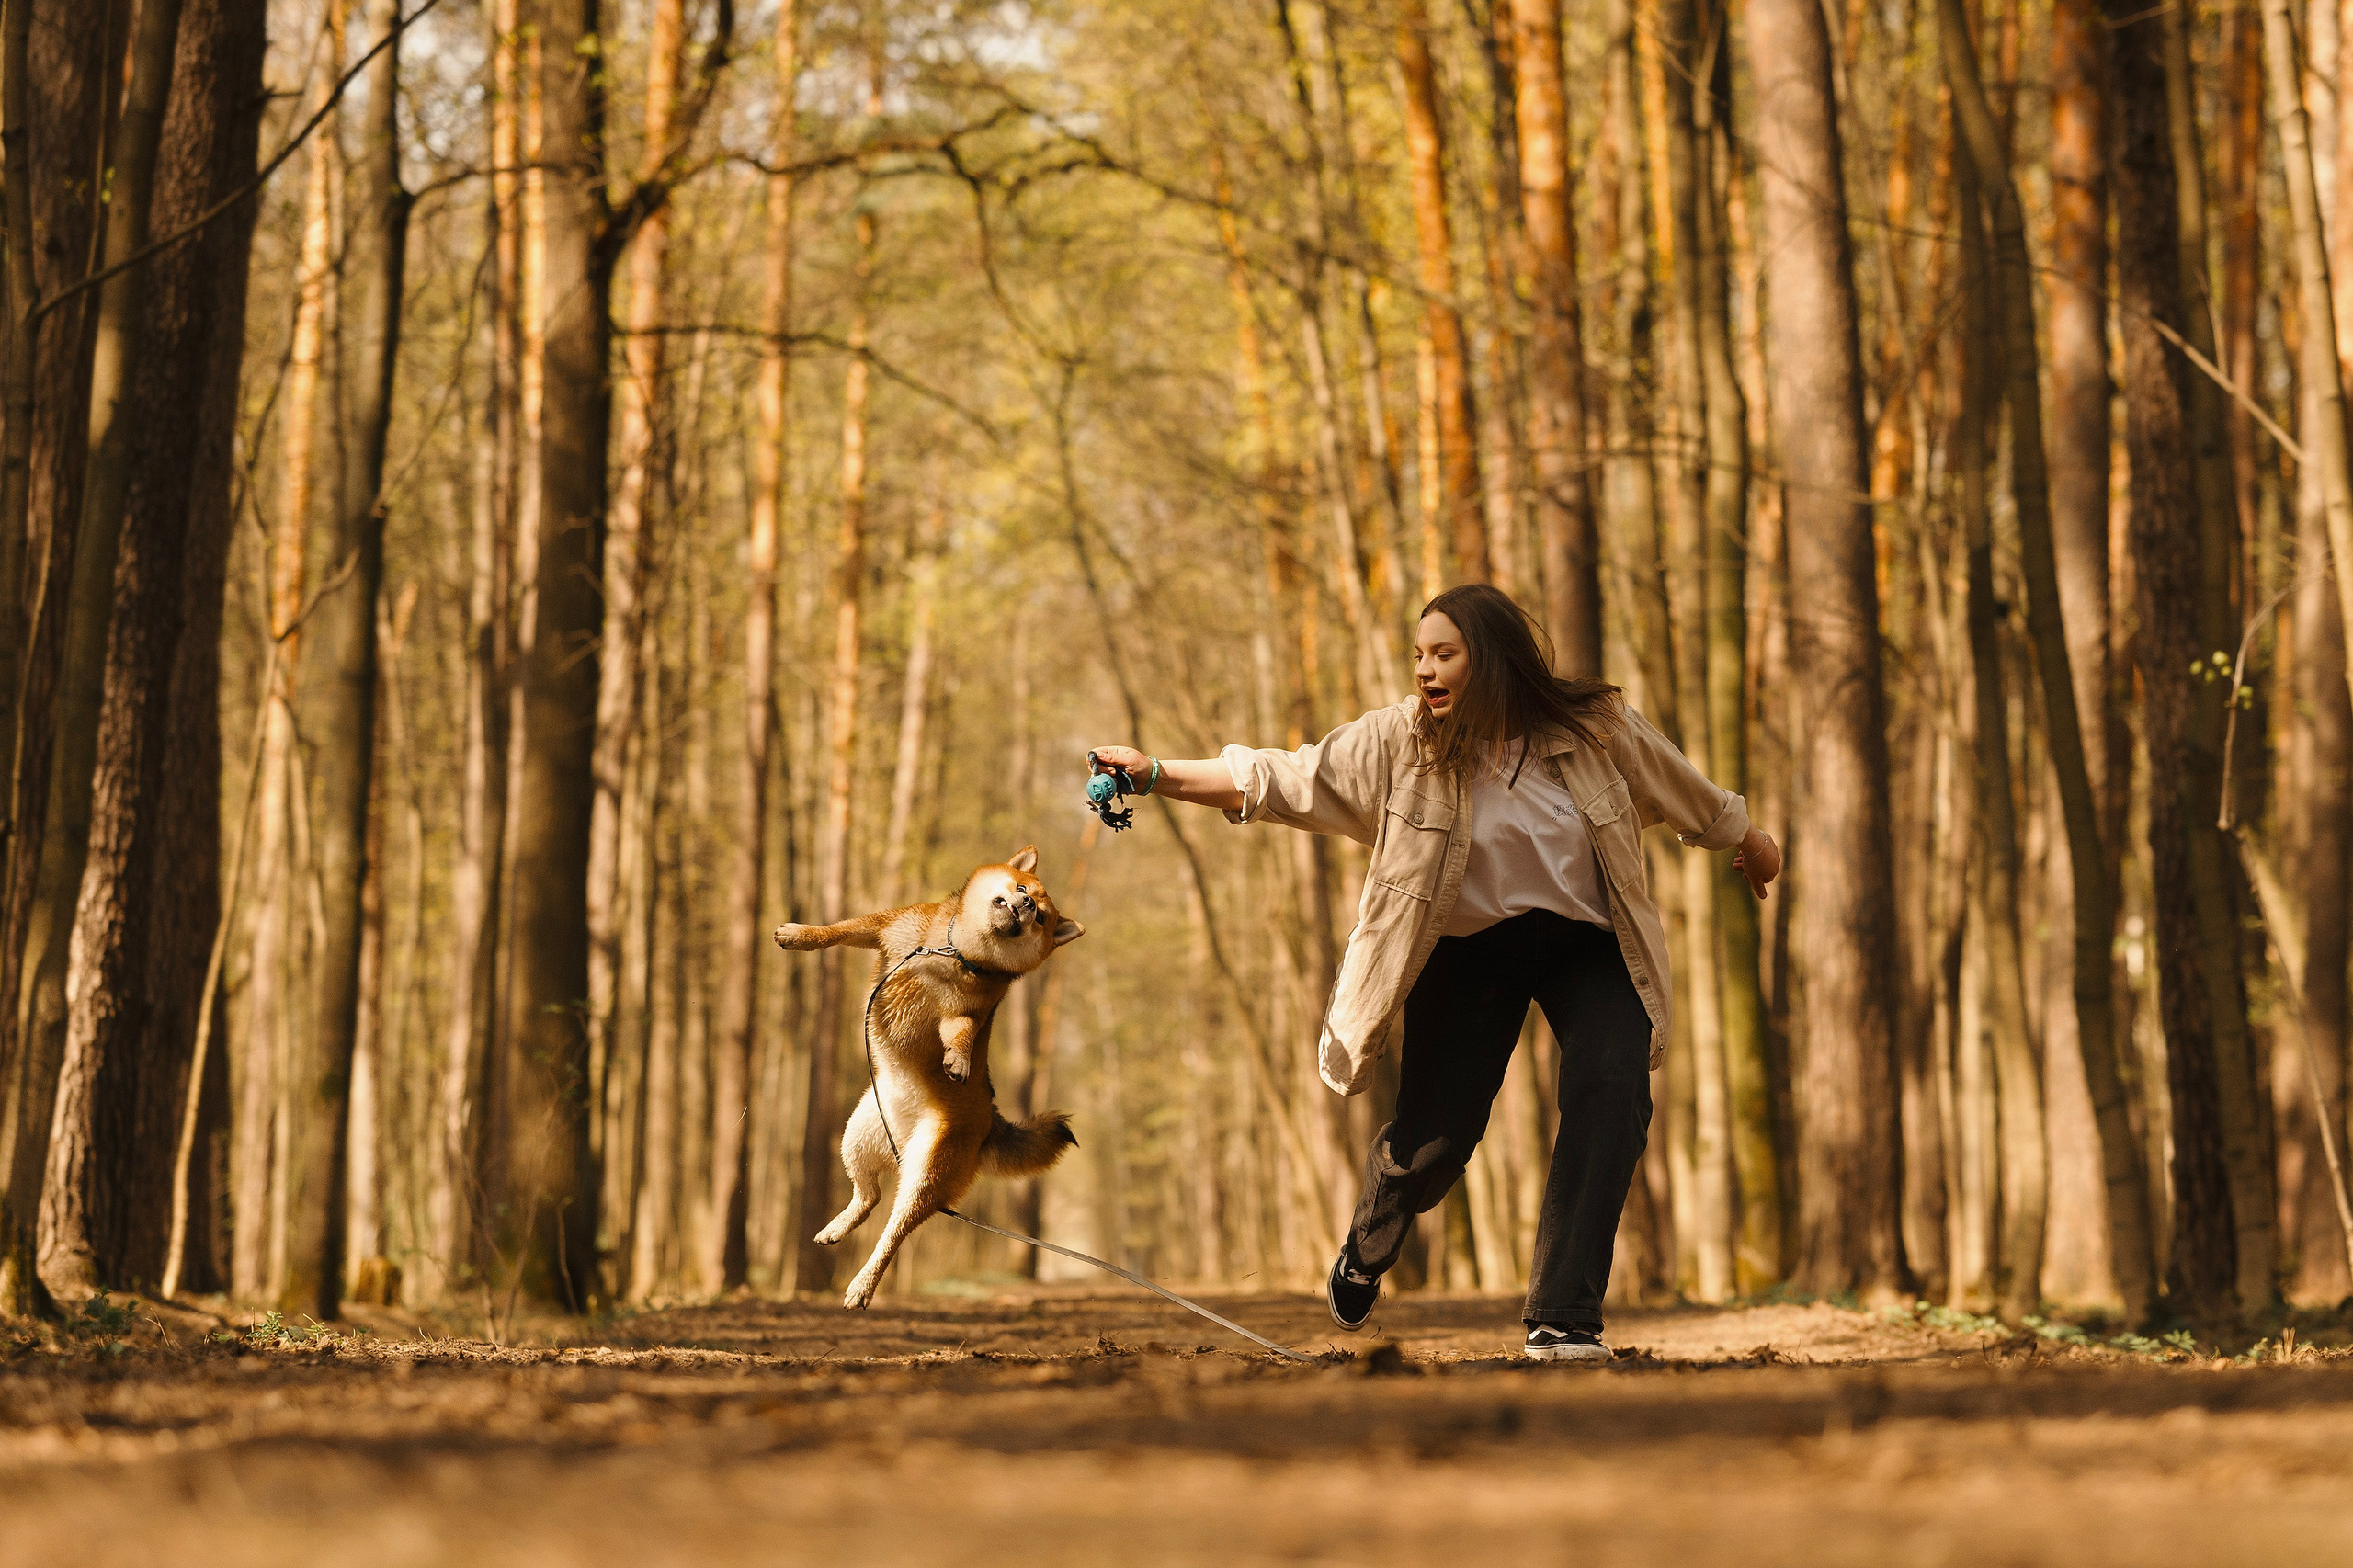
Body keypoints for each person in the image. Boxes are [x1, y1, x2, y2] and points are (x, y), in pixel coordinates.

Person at [1085, 583, 1779, 1361]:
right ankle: (1369, 1240)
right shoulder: (1399, 743)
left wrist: (1748, 836)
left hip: (1588, 942)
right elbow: (1282, 778)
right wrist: (1154, 776)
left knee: (1613, 1091)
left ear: (1495, 659)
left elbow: (1680, 784)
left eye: (1444, 654)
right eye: (1419, 655)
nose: (1425, 670)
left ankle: (1563, 1320)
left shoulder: (1595, 729)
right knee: (1437, 1143)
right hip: (1468, 945)